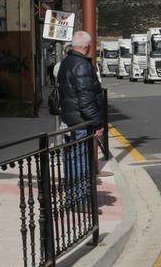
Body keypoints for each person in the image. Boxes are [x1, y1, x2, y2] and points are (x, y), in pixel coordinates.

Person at [57, 31, 104, 205]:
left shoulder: (66, 63)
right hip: (81, 122)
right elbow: (86, 101)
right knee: (80, 161)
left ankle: (71, 197)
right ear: (87, 46)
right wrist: (97, 123)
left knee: (69, 160)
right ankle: (80, 200)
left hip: (68, 120)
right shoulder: (82, 65)